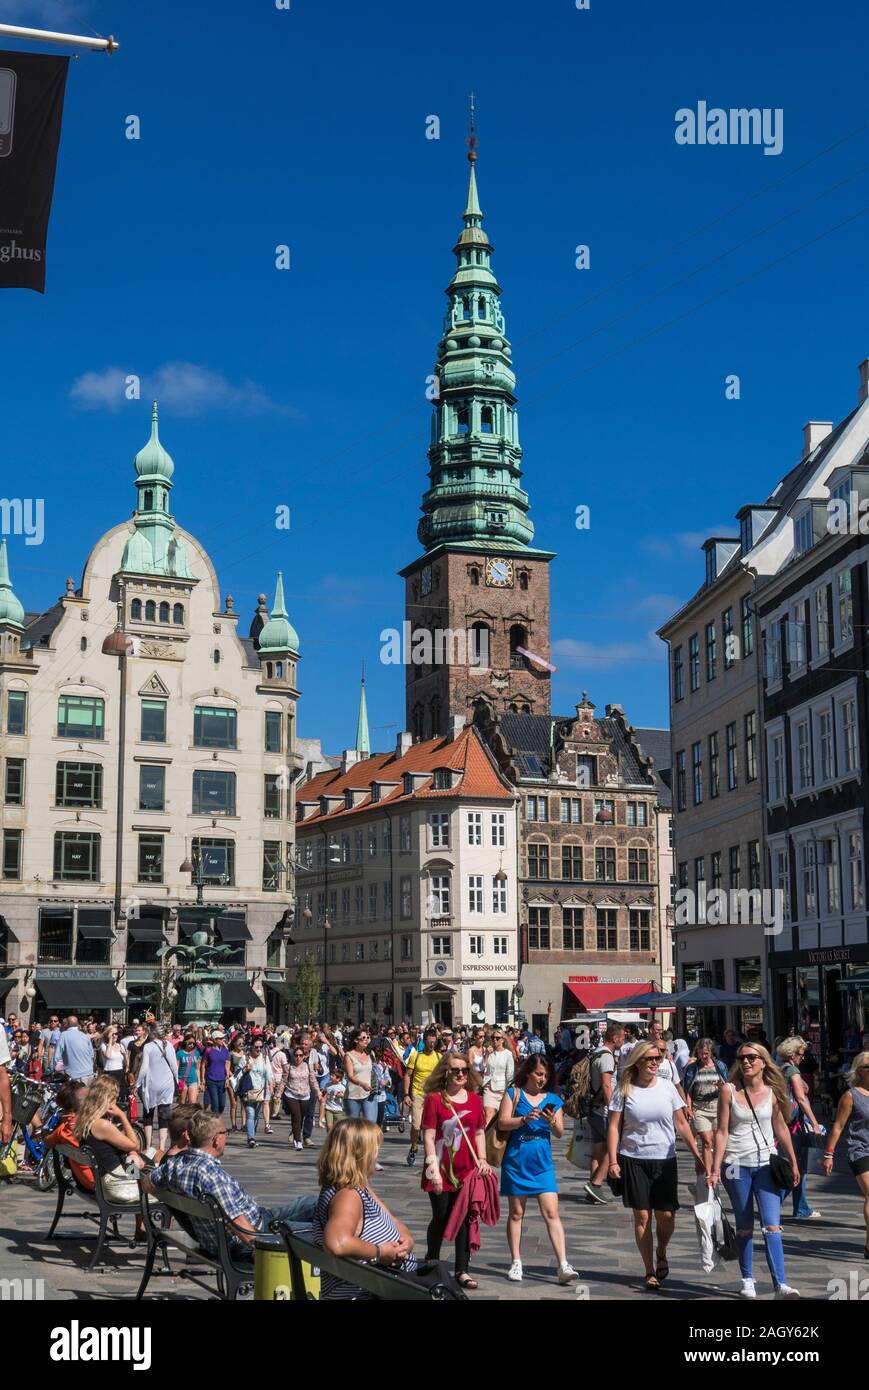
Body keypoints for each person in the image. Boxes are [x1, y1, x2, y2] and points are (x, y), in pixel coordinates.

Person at [145, 1109, 316, 1258]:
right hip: (252, 1235)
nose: (226, 1137)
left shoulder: (175, 1165)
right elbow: (240, 1226)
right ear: (216, 1140)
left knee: (312, 1203)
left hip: (253, 1220)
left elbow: (146, 1183)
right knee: (320, 1232)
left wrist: (174, 1193)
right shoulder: (210, 1175)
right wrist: (262, 1248)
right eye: (225, 1132)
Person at [607, 1039, 703, 1291]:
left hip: (665, 1159)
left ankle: (661, 1250)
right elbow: (614, 1126)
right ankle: (649, 1269)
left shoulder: (668, 1087)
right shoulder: (623, 1089)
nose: (654, 1063)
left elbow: (681, 1124)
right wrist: (613, 1160)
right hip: (633, 1158)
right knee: (642, 1215)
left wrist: (696, 1154)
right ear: (637, 1061)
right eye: (649, 1058)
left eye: (657, 1058)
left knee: (666, 1215)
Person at [711, 1042, 802, 1299]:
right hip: (735, 1165)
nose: (747, 1062)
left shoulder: (773, 1092)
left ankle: (781, 1284)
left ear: (763, 1061)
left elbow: (781, 1127)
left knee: (772, 1226)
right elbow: (722, 1131)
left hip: (766, 1163)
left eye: (752, 1057)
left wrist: (793, 1161)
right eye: (742, 1058)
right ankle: (748, 1279)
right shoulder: (728, 1090)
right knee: (744, 1225)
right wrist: (715, 1169)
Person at [312, 1117, 416, 1299]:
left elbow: (393, 1220)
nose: (376, 1156)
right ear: (360, 1154)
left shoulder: (359, 1187)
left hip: (384, 1284)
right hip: (366, 1291)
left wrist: (406, 1239)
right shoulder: (348, 1196)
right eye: (375, 1150)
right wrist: (380, 1252)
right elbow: (336, 1243)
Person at [498, 1054, 579, 1286]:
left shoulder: (553, 1098)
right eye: (538, 1074)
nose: (542, 1079)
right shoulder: (513, 1094)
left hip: (542, 1164)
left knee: (552, 1212)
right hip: (516, 1161)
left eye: (546, 1075)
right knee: (516, 1213)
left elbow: (560, 1132)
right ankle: (516, 1261)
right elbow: (503, 1122)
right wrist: (523, 1119)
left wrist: (552, 1120)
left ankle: (563, 1263)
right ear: (528, 1072)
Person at [421, 1050, 491, 1290]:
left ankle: (462, 1270)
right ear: (445, 1072)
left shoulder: (474, 1099)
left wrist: (482, 1159)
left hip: (467, 1171)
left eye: (464, 1070)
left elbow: (480, 1131)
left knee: (464, 1219)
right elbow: (429, 1136)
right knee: (441, 1216)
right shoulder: (435, 1100)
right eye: (455, 1070)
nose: (461, 1074)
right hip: (440, 1167)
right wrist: (433, 1170)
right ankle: (432, 1261)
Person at [821, 1050, 869, 1260]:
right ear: (860, 1071)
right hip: (860, 1149)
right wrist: (829, 1154)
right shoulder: (851, 1095)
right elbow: (838, 1127)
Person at [73, 1074, 147, 1209]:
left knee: (136, 1159)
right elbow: (135, 1144)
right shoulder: (102, 1125)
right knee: (162, 1187)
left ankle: (142, 1227)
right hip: (117, 1186)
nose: (116, 1102)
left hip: (106, 1182)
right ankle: (149, 1227)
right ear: (107, 1099)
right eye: (115, 1099)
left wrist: (132, 1152)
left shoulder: (87, 1121)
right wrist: (122, 1116)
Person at [776, 1036, 824, 1220]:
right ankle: (773, 1204)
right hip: (793, 1125)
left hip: (783, 1122)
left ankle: (801, 1207)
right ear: (793, 1053)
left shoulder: (779, 1068)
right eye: (801, 1054)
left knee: (798, 1166)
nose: (803, 1057)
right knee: (795, 1167)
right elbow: (801, 1099)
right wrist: (814, 1123)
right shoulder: (792, 1070)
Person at [583, 1023, 624, 1205]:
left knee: (598, 1152)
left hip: (593, 1108)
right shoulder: (606, 1057)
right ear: (614, 1038)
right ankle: (596, 1185)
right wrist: (612, 1108)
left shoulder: (595, 1052)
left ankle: (592, 1191)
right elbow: (607, 1085)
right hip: (604, 1110)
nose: (623, 1040)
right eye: (622, 1038)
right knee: (612, 1149)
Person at [682, 1038, 729, 1180]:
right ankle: (709, 1174)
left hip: (717, 1106)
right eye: (701, 1053)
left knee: (717, 1141)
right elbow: (688, 1090)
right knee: (707, 1140)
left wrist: (720, 1085)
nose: (703, 1056)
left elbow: (727, 1087)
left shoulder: (720, 1066)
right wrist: (688, 1107)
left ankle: (716, 1170)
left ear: (711, 1052)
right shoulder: (692, 1068)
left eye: (706, 1053)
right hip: (699, 1107)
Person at [138, 1026, 180, 1153]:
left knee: (148, 1113)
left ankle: (148, 1145)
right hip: (167, 1084)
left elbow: (144, 1067)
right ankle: (162, 1146)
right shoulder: (169, 1046)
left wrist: (137, 1083)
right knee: (164, 1113)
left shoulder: (148, 1046)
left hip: (152, 1084)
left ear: (152, 1034)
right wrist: (176, 1081)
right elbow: (174, 1066)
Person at [403, 1026, 441, 1164]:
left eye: (434, 1042)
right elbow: (408, 1075)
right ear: (424, 1041)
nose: (432, 1044)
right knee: (416, 1126)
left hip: (433, 1096)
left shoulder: (438, 1056)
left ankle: (430, 1153)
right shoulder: (416, 1056)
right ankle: (413, 1147)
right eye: (430, 1041)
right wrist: (406, 1094)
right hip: (418, 1094)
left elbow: (443, 1076)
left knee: (431, 1127)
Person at [241, 1036, 274, 1149]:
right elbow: (238, 1074)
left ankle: (252, 1136)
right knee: (250, 1113)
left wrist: (271, 1083)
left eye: (261, 1047)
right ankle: (251, 1138)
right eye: (256, 1047)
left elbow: (269, 1072)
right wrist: (245, 1069)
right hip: (248, 1090)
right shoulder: (245, 1058)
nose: (259, 1049)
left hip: (260, 1090)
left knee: (256, 1115)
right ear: (252, 1047)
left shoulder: (264, 1058)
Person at [480, 1027, 515, 1127]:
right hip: (489, 1088)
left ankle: (494, 1139)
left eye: (497, 1038)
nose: (494, 1040)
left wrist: (508, 1091)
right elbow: (482, 1068)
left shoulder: (508, 1054)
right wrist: (486, 1055)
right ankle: (485, 1139)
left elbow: (510, 1074)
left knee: (500, 1118)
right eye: (493, 1038)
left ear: (503, 1040)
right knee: (488, 1114)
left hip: (502, 1089)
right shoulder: (489, 1052)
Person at [285, 1044, 314, 1151]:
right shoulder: (289, 1066)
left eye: (300, 1055)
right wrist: (278, 1095)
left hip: (305, 1095)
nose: (298, 1058)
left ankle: (295, 1133)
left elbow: (313, 1080)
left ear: (304, 1056)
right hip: (291, 1094)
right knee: (296, 1116)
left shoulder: (308, 1067)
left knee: (300, 1118)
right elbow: (284, 1081)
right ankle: (298, 1140)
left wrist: (319, 1092)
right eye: (296, 1055)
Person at [53, 1015, 97, 1084]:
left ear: (66, 1024)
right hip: (89, 1074)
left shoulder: (64, 1035)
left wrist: (57, 1070)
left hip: (76, 1077)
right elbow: (91, 1056)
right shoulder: (85, 1036)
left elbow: (56, 1058)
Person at [203, 1028, 231, 1116]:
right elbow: (203, 1065)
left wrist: (227, 1078)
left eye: (223, 1038)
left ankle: (214, 1118)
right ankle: (215, 1123)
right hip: (211, 1080)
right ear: (215, 1040)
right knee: (215, 1104)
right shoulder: (208, 1050)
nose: (223, 1040)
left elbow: (227, 1065)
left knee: (222, 1105)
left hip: (222, 1080)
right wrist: (202, 1079)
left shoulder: (225, 1051)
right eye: (221, 1038)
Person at [176, 1032, 203, 1106]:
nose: (192, 1045)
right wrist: (176, 1081)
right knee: (182, 1103)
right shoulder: (180, 1053)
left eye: (194, 1043)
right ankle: (182, 1117)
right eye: (190, 1042)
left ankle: (191, 1117)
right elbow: (176, 1068)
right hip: (182, 1080)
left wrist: (199, 1082)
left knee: (193, 1102)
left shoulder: (196, 1053)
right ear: (185, 1041)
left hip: (193, 1080)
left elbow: (197, 1069)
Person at [228, 1035, 247, 1131]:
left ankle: (243, 1125)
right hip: (233, 1080)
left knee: (244, 1103)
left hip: (243, 1080)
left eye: (243, 1043)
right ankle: (234, 1125)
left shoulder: (246, 1054)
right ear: (234, 1043)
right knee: (233, 1103)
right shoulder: (230, 1054)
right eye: (239, 1042)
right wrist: (233, 1076)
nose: (241, 1044)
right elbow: (227, 1067)